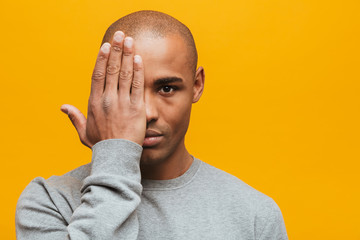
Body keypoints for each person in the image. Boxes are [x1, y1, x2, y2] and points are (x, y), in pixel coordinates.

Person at [15, 10, 288, 240]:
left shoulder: (254, 214)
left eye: (167, 88)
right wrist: (114, 156)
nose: (145, 112)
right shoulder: (49, 202)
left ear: (196, 85)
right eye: (125, 88)